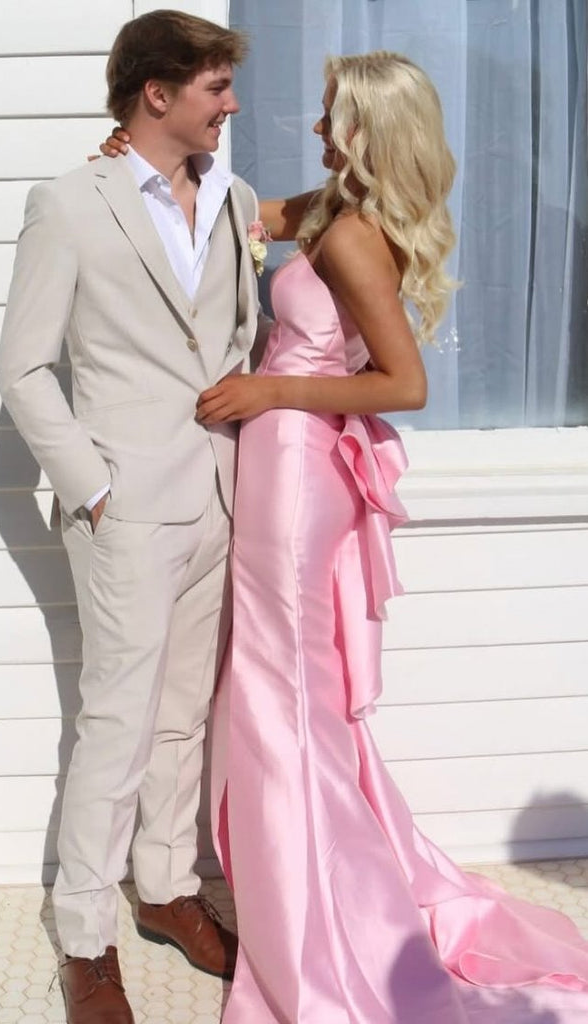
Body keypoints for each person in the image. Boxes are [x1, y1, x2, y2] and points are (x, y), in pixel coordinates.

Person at [103, 51, 588, 1023]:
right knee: (281, 690)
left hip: (295, 465)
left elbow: (404, 384)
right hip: (285, 455)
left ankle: (317, 920)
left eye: (333, 117)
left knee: (283, 696)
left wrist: (268, 388)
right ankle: (303, 883)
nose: (318, 129)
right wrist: (140, 162)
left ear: (368, 130)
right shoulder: (333, 209)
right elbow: (240, 212)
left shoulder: (358, 237)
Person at [0, 10, 271, 1024]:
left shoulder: (236, 198)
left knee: (183, 709)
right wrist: (93, 486)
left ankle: (163, 886)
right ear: (157, 93)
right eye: (214, 87)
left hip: (218, 496)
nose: (231, 104)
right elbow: (24, 368)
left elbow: (229, 332)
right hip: (126, 507)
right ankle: (84, 937)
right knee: (116, 720)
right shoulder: (70, 203)